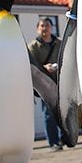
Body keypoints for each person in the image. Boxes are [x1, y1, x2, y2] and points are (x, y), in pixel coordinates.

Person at [27, 17, 63, 150]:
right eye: (42, 26)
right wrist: (44, 67)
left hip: (59, 81)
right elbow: (30, 64)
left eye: (47, 25)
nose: (45, 28)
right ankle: (53, 142)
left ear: (51, 27)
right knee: (49, 112)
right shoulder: (33, 46)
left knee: (64, 110)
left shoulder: (59, 43)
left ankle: (65, 138)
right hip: (44, 83)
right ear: (37, 28)